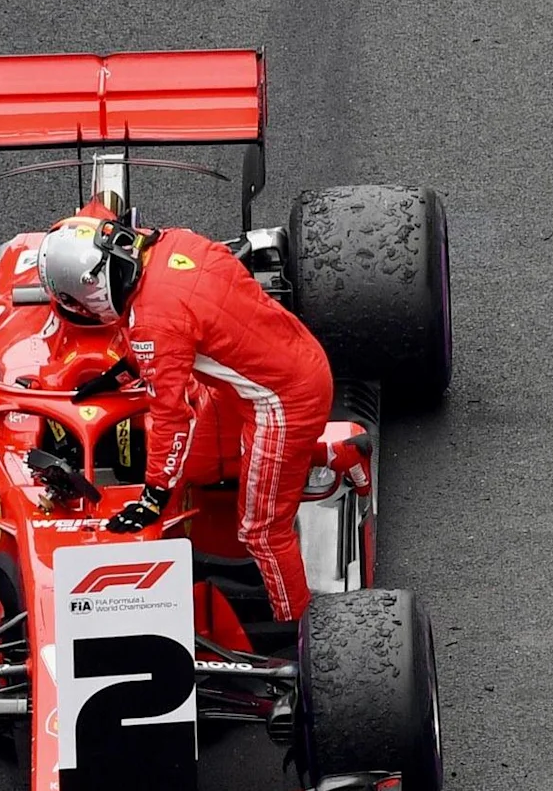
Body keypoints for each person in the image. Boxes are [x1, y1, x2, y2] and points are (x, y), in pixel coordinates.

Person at [37, 215, 335, 620]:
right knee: (199, 465)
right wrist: (124, 371)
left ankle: (301, 628)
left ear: (87, 291)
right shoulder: (178, 241)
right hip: (286, 363)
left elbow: (172, 416)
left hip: (281, 403)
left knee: (260, 529)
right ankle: (308, 460)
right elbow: (188, 321)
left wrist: (153, 496)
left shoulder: (153, 326)